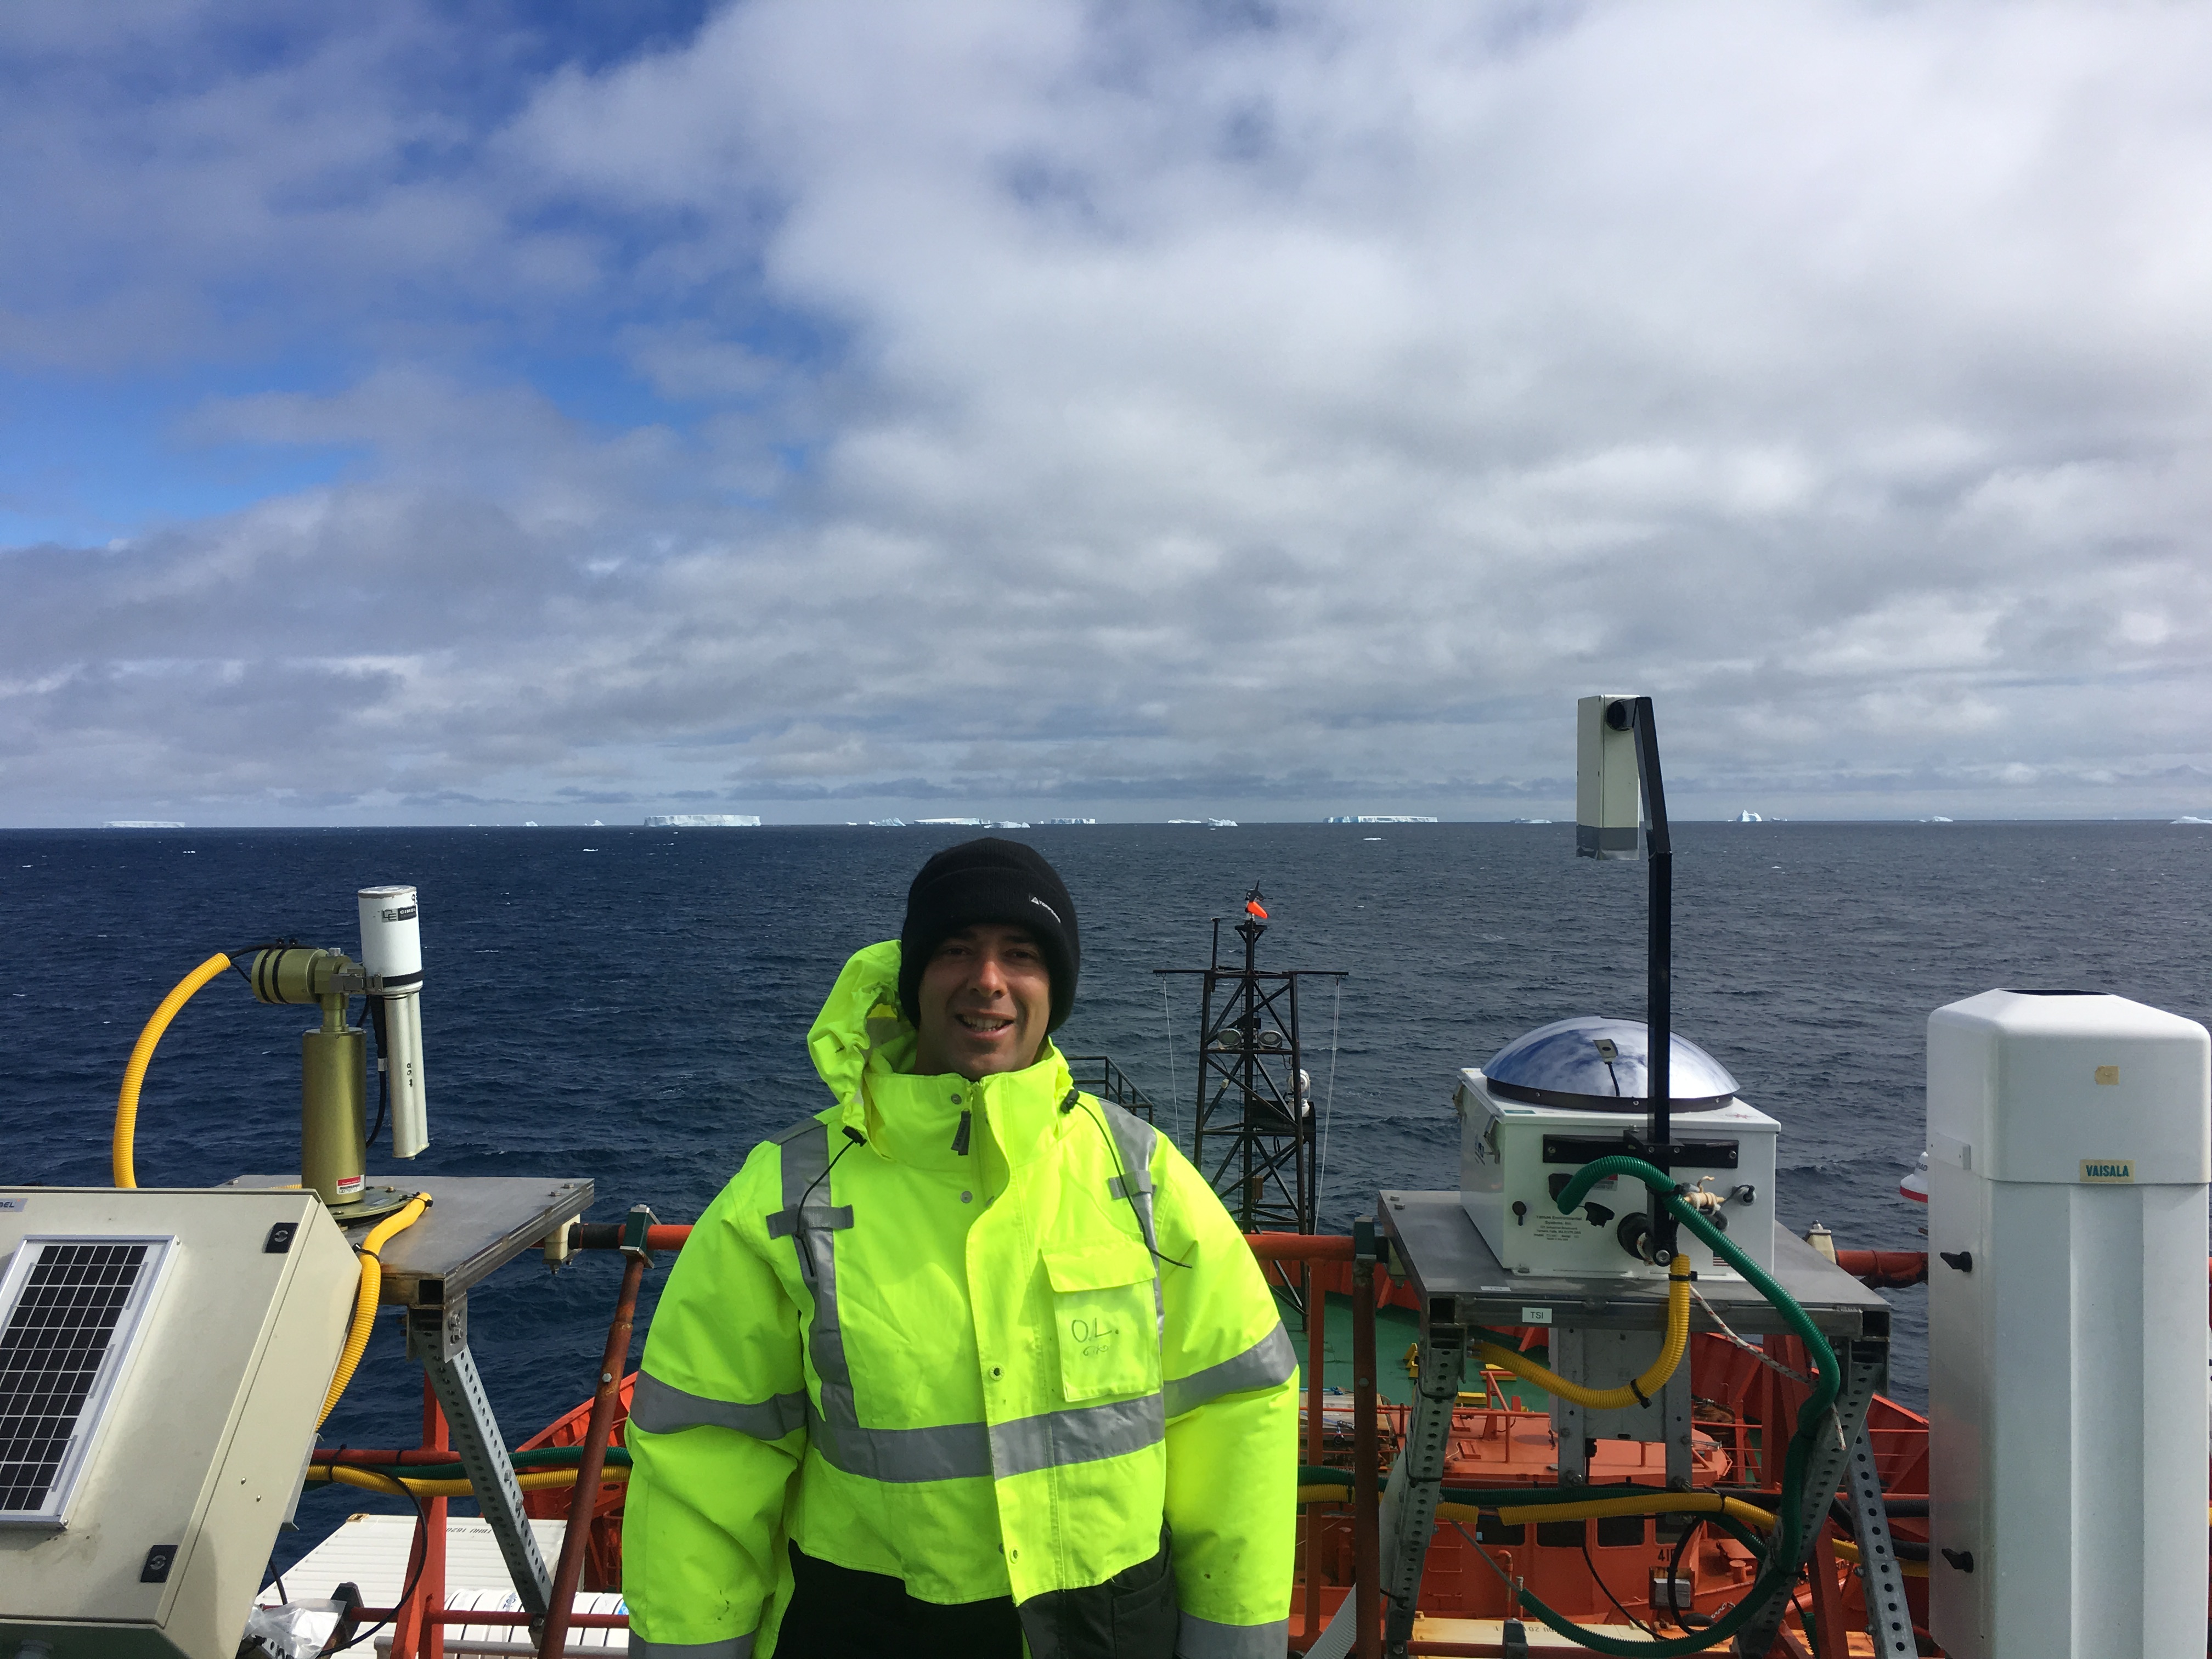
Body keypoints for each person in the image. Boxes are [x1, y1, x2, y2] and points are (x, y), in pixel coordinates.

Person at [623, 838, 1298, 1659]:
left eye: (1021, 955)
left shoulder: (1145, 1178)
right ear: (913, 986)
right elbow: (706, 1458)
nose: (988, 980)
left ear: (1056, 990)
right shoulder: (785, 1199)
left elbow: (1235, 1415)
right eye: (955, 952)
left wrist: (1235, 1644)